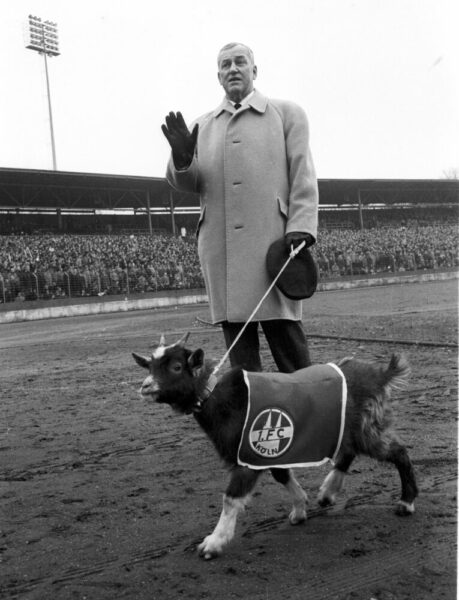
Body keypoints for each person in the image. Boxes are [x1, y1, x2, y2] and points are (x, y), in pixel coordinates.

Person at [162, 42, 319, 373]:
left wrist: (300, 226)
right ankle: (252, 419)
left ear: (254, 70)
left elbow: (303, 174)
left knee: (292, 353)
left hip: (274, 248)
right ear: (218, 76)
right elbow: (188, 183)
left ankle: (311, 415)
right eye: (225, 65)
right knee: (242, 365)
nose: (232, 68)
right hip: (223, 254)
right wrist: (182, 157)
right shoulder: (201, 125)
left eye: (240, 62)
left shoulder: (287, 114)